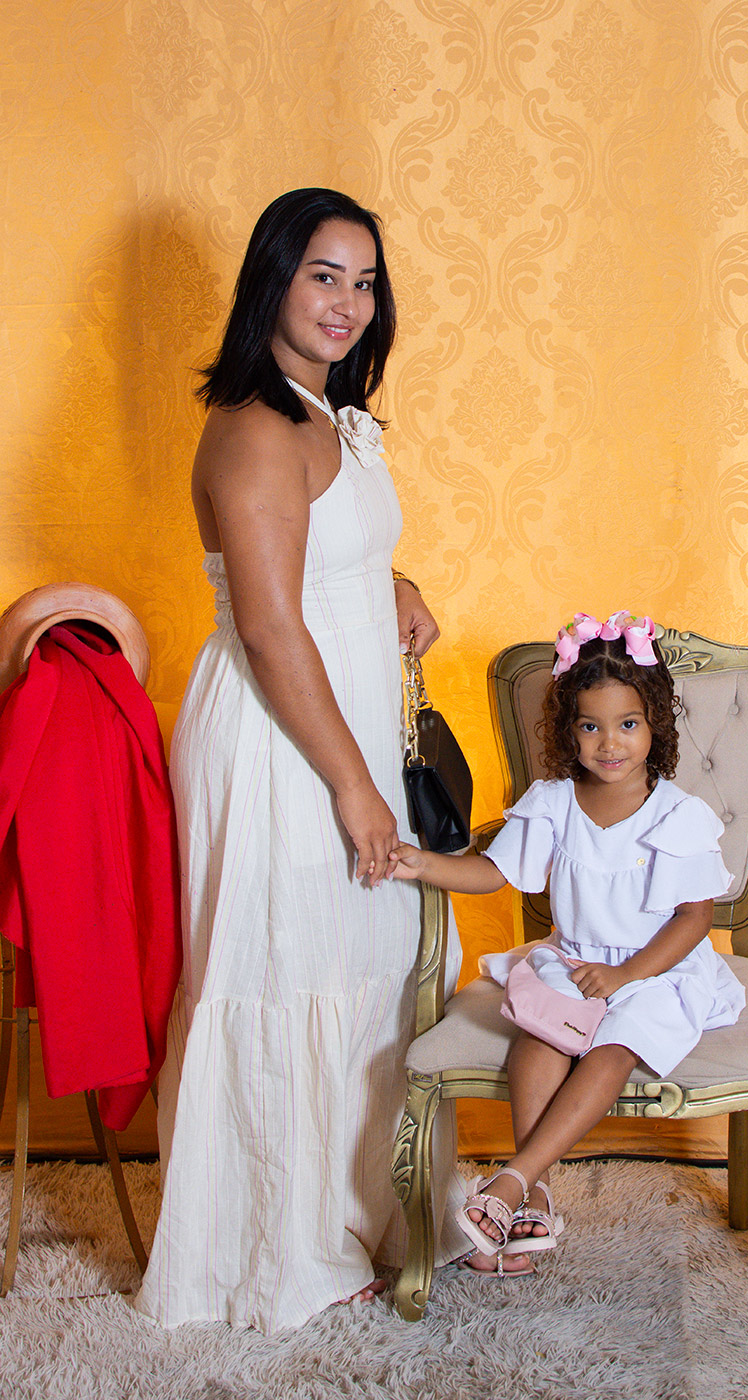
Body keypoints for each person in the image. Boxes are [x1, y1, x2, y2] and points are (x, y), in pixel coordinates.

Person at [135, 189, 477, 1333]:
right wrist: (353, 784)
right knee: (287, 962)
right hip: (284, 743)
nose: (347, 302)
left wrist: (392, 581)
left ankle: (369, 1211)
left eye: (364, 281)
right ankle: (282, 1247)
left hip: (339, 721)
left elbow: (318, 555)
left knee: (364, 958)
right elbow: (272, 626)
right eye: (324, 274)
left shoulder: (328, 414)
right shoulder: (253, 427)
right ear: (272, 280)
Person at [388, 611, 746, 1261]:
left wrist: (625, 975)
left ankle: (512, 1180)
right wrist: (423, 864)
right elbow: (492, 872)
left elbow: (694, 919)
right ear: (568, 730)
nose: (609, 743)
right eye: (590, 726)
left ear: (654, 725)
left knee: (612, 1048)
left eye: (627, 724)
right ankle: (535, 1200)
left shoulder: (677, 815)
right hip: (575, 959)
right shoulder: (553, 802)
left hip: (657, 972)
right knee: (541, 1037)